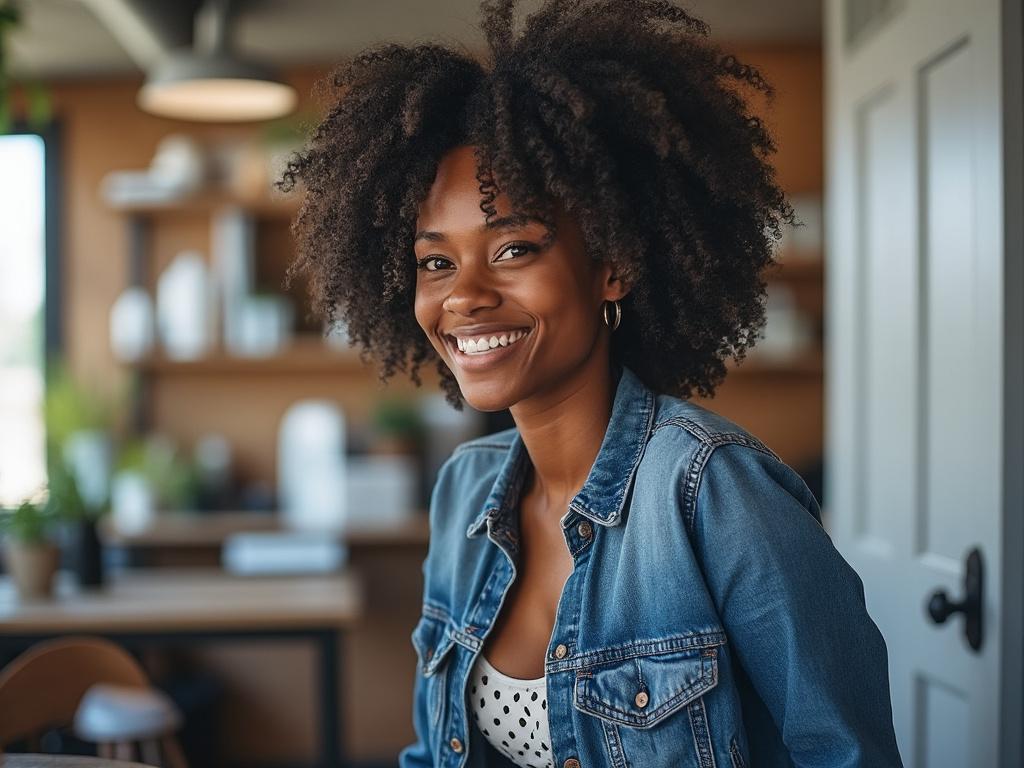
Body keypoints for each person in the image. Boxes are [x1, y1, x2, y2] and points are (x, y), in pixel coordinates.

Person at [278, 1, 904, 765]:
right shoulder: (462, 494)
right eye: (435, 261)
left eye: (513, 249)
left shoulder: (715, 493)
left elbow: (845, 754)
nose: (463, 295)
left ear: (614, 266)